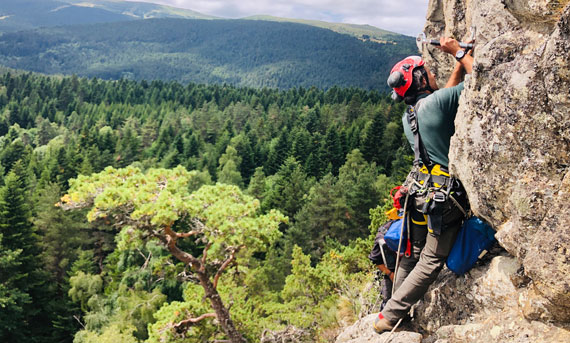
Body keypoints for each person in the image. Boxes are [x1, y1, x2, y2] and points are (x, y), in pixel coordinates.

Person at [373, 37, 473, 333]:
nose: (430, 72)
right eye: (426, 70)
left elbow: (443, 97)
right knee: (431, 259)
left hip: (418, 193)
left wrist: (457, 63)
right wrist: (459, 52)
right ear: (419, 78)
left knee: (410, 253)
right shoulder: (436, 105)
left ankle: (394, 307)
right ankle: (391, 314)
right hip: (443, 198)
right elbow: (481, 84)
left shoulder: (412, 115)